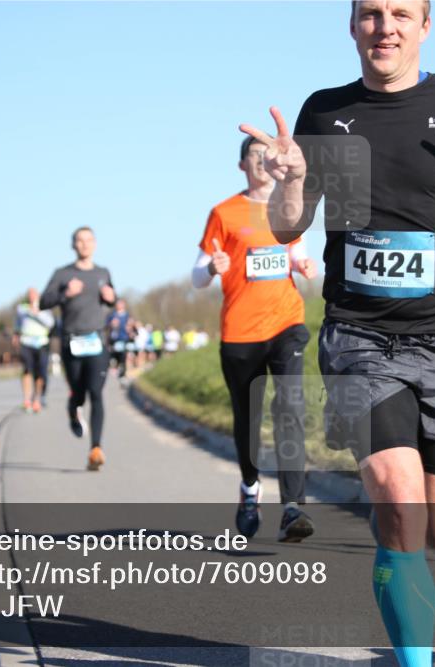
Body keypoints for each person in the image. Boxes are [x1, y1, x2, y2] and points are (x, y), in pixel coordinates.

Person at [239, 1, 435, 663]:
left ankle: (399, 556)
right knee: (400, 496)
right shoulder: (324, 112)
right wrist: (291, 182)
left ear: (425, 26)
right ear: (352, 27)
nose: (386, 26)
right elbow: (291, 225)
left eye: (402, 13)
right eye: (372, 14)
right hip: (361, 336)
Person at [192, 134, 321, 542]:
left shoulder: (287, 203)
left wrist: (302, 262)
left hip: (286, 323)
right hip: (240, 331)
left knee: (290, 407)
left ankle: (292, 507)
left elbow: (297, 248)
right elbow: (196, 276)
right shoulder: (224, 213)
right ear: (242, 165)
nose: (263, 162)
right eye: (254, 156)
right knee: (248, 419)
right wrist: (212, 268)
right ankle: (250, 490)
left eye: (268, 156)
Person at [40, 227, 117, 471]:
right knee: (78, 392)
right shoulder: (63, 274)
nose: (84, 245)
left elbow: (112, 298)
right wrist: (65, 293)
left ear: (95, 244)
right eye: (80, 241)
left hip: (97, 341)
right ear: (73, 245)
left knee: (96, 393)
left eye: (89, 240)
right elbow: (43, 302)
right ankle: (73, 412)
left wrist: (111, 297)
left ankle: (96, 449)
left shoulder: (103, 273)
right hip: (71, 342)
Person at [12, 288, 55, 413]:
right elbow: (18, 324)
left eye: (34, 294)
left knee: (40, 373)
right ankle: (26, 399)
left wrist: (37, 313)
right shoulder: (22, 308)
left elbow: (50, 323)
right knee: (26, 370)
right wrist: (16, 335)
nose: (32, 297)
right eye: (30, 294)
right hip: (26, 342)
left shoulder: (45, 309)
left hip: (41, 343)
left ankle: (37, 399)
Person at [108, 299, 133, 385]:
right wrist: (112, 324)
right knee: (115, 355)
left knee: (124, 355)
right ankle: (115, 367)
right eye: (118, 304)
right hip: (115, 339)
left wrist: (130, 327)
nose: (119, 306)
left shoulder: (127, 315)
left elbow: (131, 325)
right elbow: (107, 325)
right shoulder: (113, 315)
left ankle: (123, 373)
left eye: (121, 304)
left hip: (124, 338)